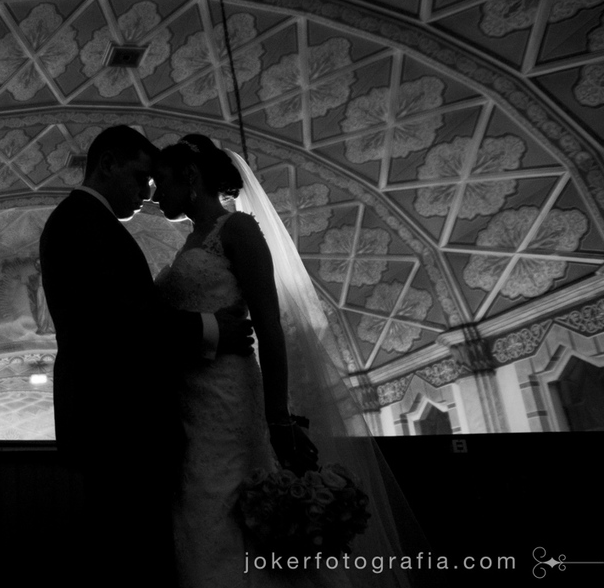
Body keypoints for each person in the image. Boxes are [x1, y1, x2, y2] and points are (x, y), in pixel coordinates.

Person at [154, 135, 418, 587]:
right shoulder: (190, 242)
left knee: (228, 496)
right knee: (199, 505)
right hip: (192, 402)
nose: (156, 194)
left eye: (162, 182)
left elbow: (270, 327)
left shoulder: (237, 231)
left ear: (191, 178)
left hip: (230, 397)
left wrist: (277, 416)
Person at [39, 125, 254, 587]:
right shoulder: (83, 222)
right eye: (139, 178)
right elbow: (124, 322)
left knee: (133, 551)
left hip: (117, 422)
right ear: (108, 163)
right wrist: (216, 328)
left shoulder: (90, 224)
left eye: (153, 182)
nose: (147, 193)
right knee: (131, 556)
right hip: (118, 422)